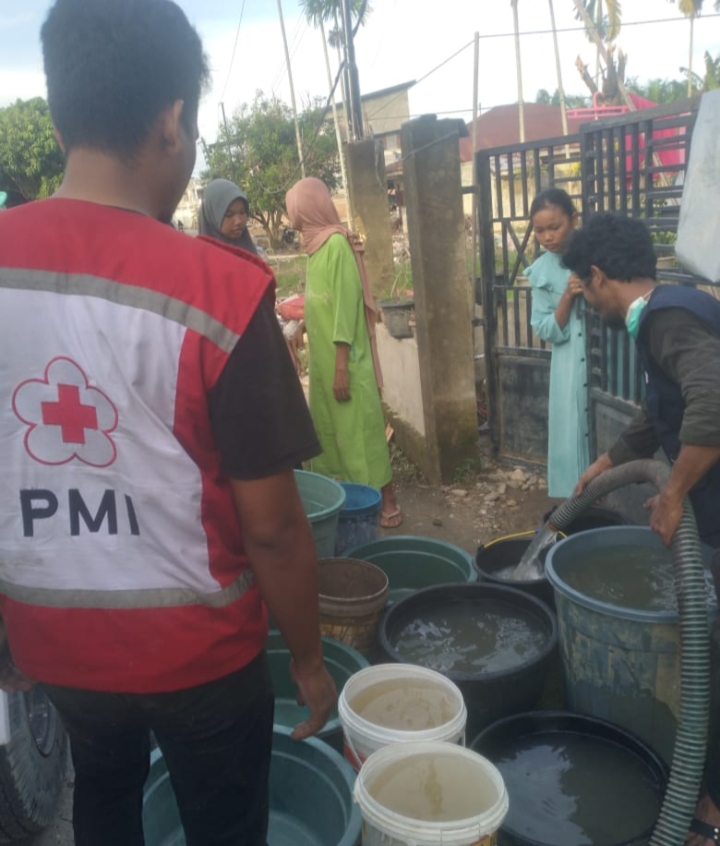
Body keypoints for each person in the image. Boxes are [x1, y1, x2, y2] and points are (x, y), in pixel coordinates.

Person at [0, 2, 336, 846]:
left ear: (61, 117)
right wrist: (308, 660)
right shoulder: (223, 292)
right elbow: (275, 530)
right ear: (173, 121)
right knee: (225, 825)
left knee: (105, 796)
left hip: (56, 645)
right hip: (201, 659)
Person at [565, 213, 720, 846]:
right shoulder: (667, 310)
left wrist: (674, 491)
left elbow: (713, 398)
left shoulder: (664, 319)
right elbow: (663, 414)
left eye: (585, 286)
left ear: (599, 276)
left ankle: (709, 809)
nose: (588, 300)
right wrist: (605, 465)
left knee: (712, 654)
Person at [285, 177, 402, 528]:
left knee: (364, 435)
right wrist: (301, 325)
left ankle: (388, 501)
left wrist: (340, 368)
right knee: (336, 439)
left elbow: (345, 307)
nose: (291, 212)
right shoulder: (315, 249)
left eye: (294, 205)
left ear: (308, 207)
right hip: (324, 363)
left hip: (346, 362)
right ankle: (351, 505)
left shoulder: (336, 245)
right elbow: (320, 302)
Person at [528, 188, 589, 498]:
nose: (548, 237)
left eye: (555, 227)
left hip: (603, 356)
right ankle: (577, 505)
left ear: (573, 219)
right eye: (540, 230)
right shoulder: (541, 272)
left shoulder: (597, 253)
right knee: (572, 428)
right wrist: (567, 296)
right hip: (568, 363)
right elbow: (544, 328)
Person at [199, 177, 259, 255]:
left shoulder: (250, 253)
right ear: (212, 216)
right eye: (229, 214)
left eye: (242, 212)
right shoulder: (200, 259)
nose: (238, 221)